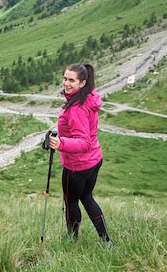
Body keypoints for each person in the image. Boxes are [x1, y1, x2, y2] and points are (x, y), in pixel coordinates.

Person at [48, 63, 113, 245]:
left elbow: (83, 142)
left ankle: (72, 238)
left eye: (71, 80)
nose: (66, 83)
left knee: (71, 202)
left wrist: (61, 143)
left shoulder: (77, 107)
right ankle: (106, 240)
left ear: (82, 83)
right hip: (94, 160)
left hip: (77, 165)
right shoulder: (89, 97)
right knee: (87, 197)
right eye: (65, 78)